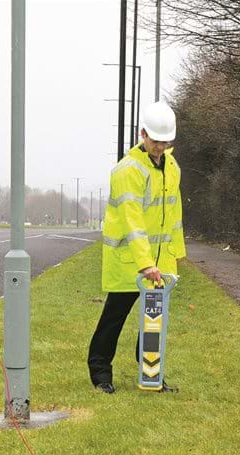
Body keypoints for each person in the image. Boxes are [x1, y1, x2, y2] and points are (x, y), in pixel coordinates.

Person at [87, 100, 186, 393]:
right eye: (155, 141)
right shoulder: (127, 170)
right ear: (142, 134)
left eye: (165, 141)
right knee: (114, 318)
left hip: (160, 261)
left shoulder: (171, 166)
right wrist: (146, 263)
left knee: (153, 322)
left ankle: (151, 375)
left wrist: (175, 254)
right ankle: (100, 375)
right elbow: (132, 220)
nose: (160, 147)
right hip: (130, 261)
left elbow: (174, 212)